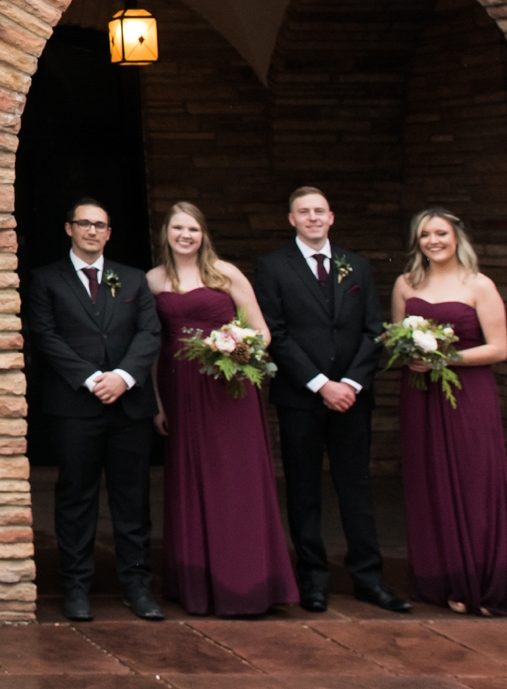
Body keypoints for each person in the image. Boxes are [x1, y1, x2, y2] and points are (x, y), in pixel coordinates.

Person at [251, 186, 412, 614]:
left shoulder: (355, 266)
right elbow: (277, 335)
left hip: (353, 398)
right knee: (304, 491)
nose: (312, 218)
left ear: (331, 217)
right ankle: (314, 581)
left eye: (319, 211)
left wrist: (351, 385)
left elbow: (373, 329)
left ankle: (368, 580)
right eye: (303, 212)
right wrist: (321, 384)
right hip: (301, 398)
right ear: (291, 219)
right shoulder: (271, 267)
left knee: (356, 489)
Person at [146, 202, 297, 616]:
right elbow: (153, 349)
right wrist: (158, 402)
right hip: (181, 392)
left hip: (229, 391)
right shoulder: (154, 281)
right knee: (193, 480)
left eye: (193, 228)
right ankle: (199, 583)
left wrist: (232, 347)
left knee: (237, 481)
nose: (185, 235)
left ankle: (246, 583)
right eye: (178, 227)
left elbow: (261, 331)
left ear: (203, 233)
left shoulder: (225, 274)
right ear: (166, 233)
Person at [23, 198, 163, 621]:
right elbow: (45, 336)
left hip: (129, 406)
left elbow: (149, 332)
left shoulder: (134, 280)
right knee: (76, 497)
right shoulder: (46, 280)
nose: (92, 231)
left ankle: (137, 586)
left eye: (100, 225)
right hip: (75, 407)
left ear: (109, 233)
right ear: (69, 229)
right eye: (84, 223)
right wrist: (90, 379)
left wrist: (123, 376)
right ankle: (77, 587)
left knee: (132, 499)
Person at [392, 206, 507, 616]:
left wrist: (447, 360)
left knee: (474, 481)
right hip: (421, 395)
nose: (434, 241)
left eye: (441, 234)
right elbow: (398, 339)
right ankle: (443, 579)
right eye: (425, 235)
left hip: (468, 393)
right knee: (430, 481)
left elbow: (498, 348)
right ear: (418, 242)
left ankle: (484, 583)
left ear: (456, 238)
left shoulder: (478, 285)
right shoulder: (405, 283)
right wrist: (413, 355)